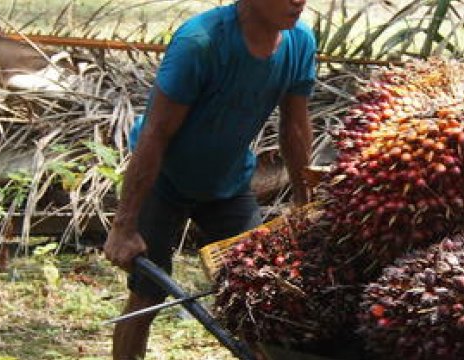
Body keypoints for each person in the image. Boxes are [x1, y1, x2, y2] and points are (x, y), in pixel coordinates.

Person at [102, 0, 314, 358]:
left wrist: (303, 201)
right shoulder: (200, 43)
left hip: (228, 184)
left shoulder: (299, 42)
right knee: (147, 293)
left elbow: (294, 126)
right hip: (164, 180)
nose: (299, 0)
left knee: (257, 292)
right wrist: (124, 226)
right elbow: (156, 133)